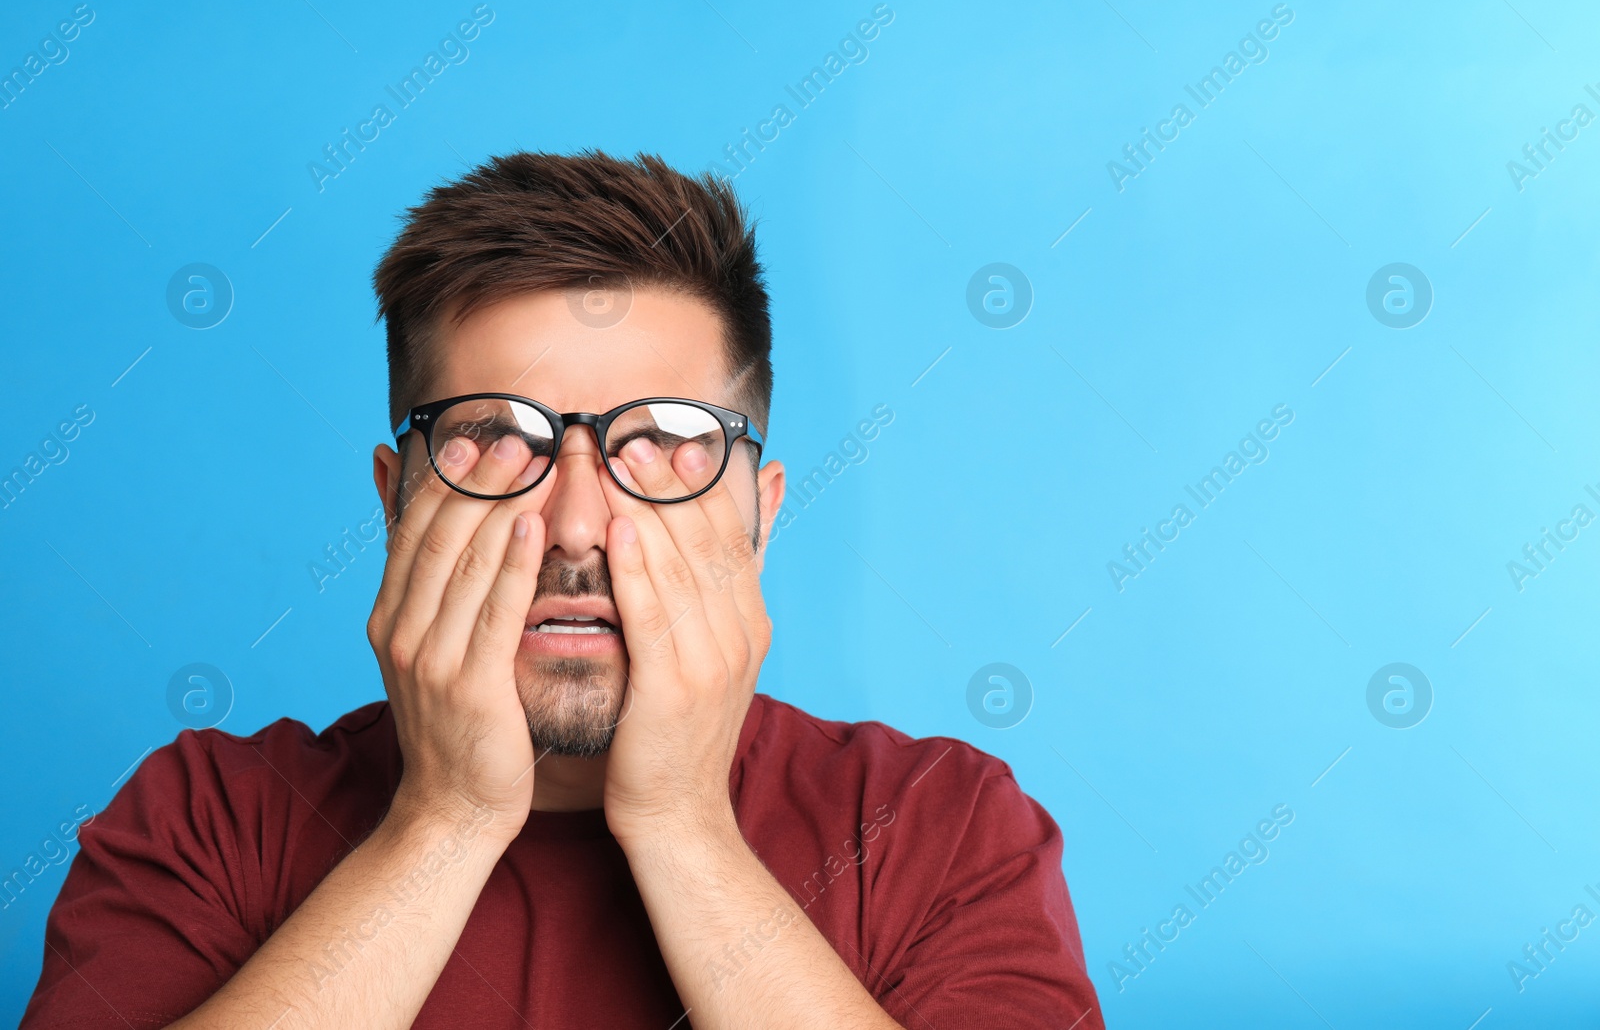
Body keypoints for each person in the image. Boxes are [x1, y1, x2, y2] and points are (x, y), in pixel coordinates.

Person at [21, 151, 1104, 1029]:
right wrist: (442, 821)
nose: (577, 524)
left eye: (665, 440)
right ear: (398, 503)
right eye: (496, 435)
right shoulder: (208, 819)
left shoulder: (941, 826)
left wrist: (683, 824)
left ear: (760, 513)